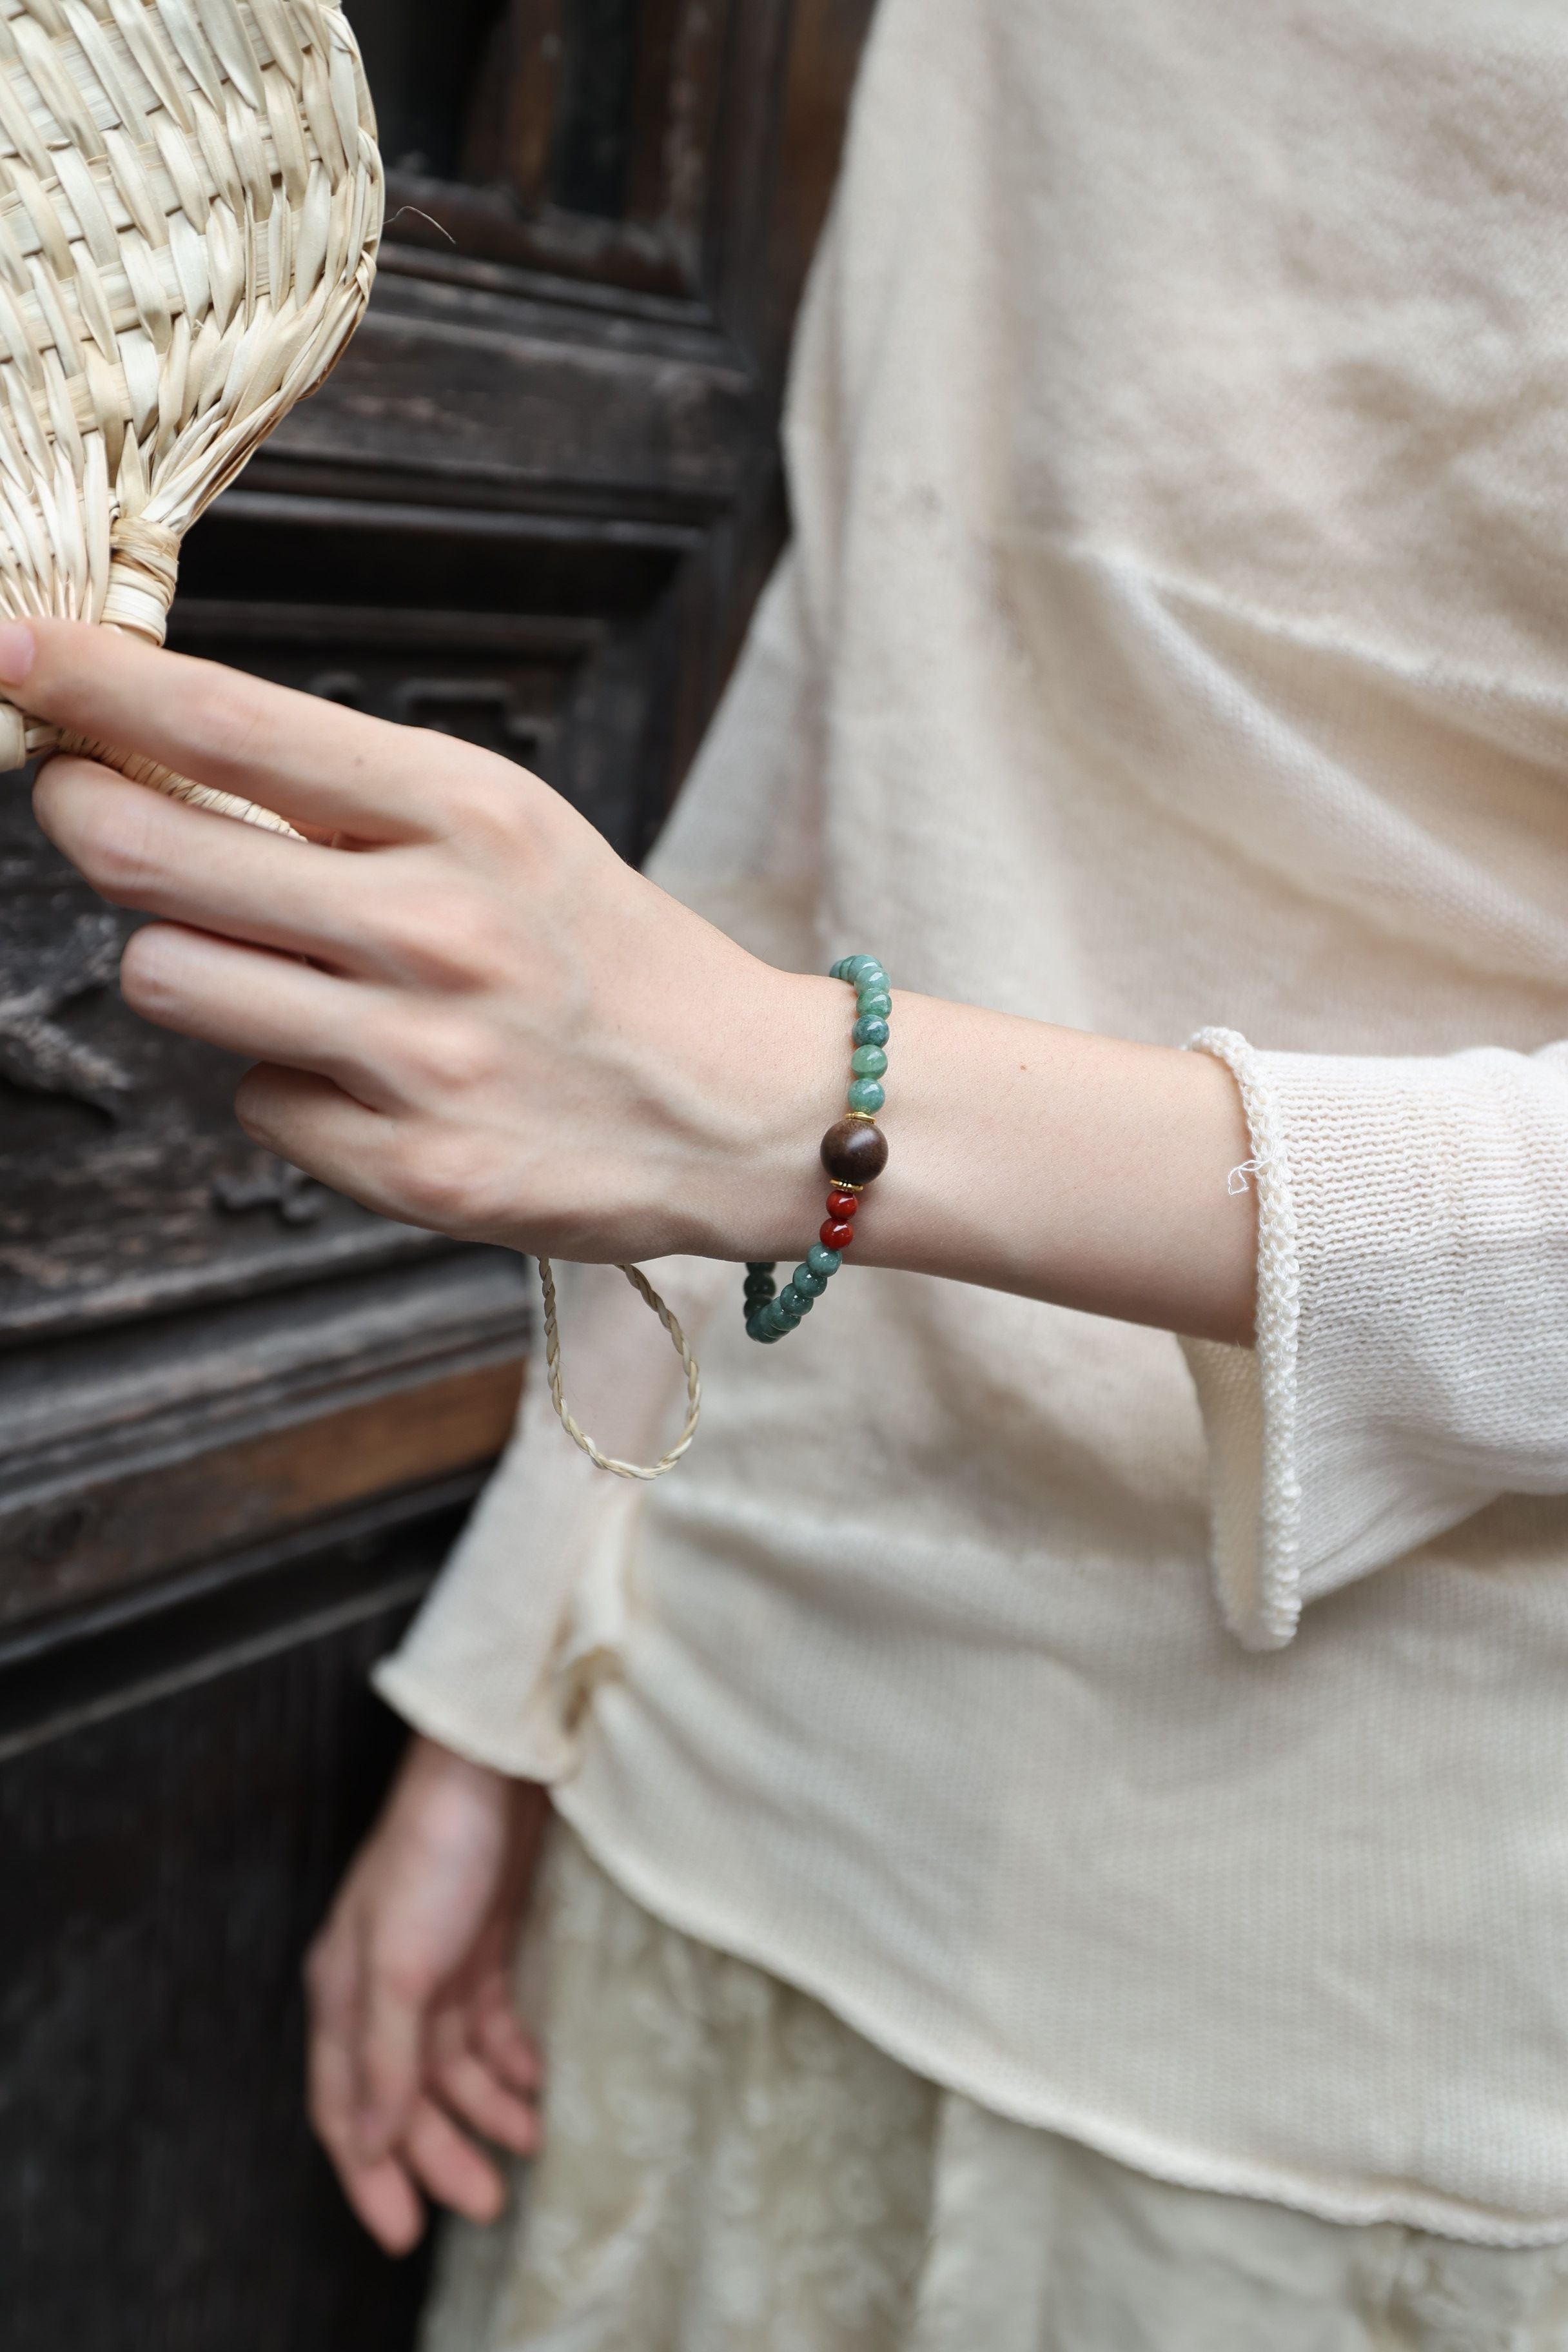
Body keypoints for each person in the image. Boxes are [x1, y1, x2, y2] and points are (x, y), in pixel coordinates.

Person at [27, 0, 1568, 2339]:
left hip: (1332, 2063)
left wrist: (805, 1098)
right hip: (714, 1810)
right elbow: (847, 741)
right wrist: (512, 1694)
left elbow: (737, 1056)